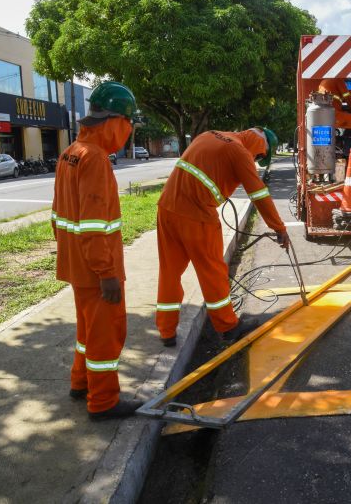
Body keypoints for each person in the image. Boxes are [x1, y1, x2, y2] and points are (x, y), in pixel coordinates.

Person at [51, 81, 142, 421]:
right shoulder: (96, 159)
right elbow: (92, 224)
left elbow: (58, 215)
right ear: (116, 121)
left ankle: (80, 383)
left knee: (87, 332)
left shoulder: (70, 153)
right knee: (106, 335)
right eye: (128, 124)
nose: (129, 132)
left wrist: (74, 255)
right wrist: (107, 274)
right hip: (96, 269)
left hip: (76, 264)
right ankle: (103, 402)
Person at [156, 127, 290, 346]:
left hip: (166, 208)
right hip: (196, 215)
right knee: (213, 272)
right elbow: (258, 193)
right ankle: (228, 327)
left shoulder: (208, 134)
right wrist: (279, 228)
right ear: (261, 146)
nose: (255, 160)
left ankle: (166, 331)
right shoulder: (239, 152)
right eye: (259, 156)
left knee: (169, 272)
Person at [318, 78, 351, 151]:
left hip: (321, 116)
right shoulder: (338, 80)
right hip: (333, 115)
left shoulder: (323, 82)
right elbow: (348, 98)